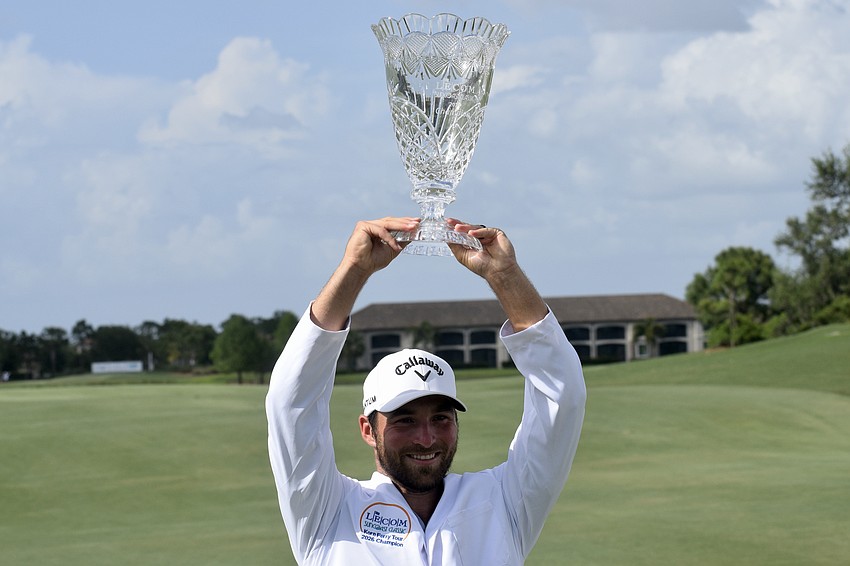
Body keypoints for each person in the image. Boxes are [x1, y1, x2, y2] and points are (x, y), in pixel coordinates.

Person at [266, 217, 586, 565]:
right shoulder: (327, 510)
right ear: (367, 430)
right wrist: (354, 269)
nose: (426, 437)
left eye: (441, 418)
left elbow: (561, 395)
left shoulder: (503, 502)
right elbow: (292, 401)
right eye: (404, 420)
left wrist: (505, 276)